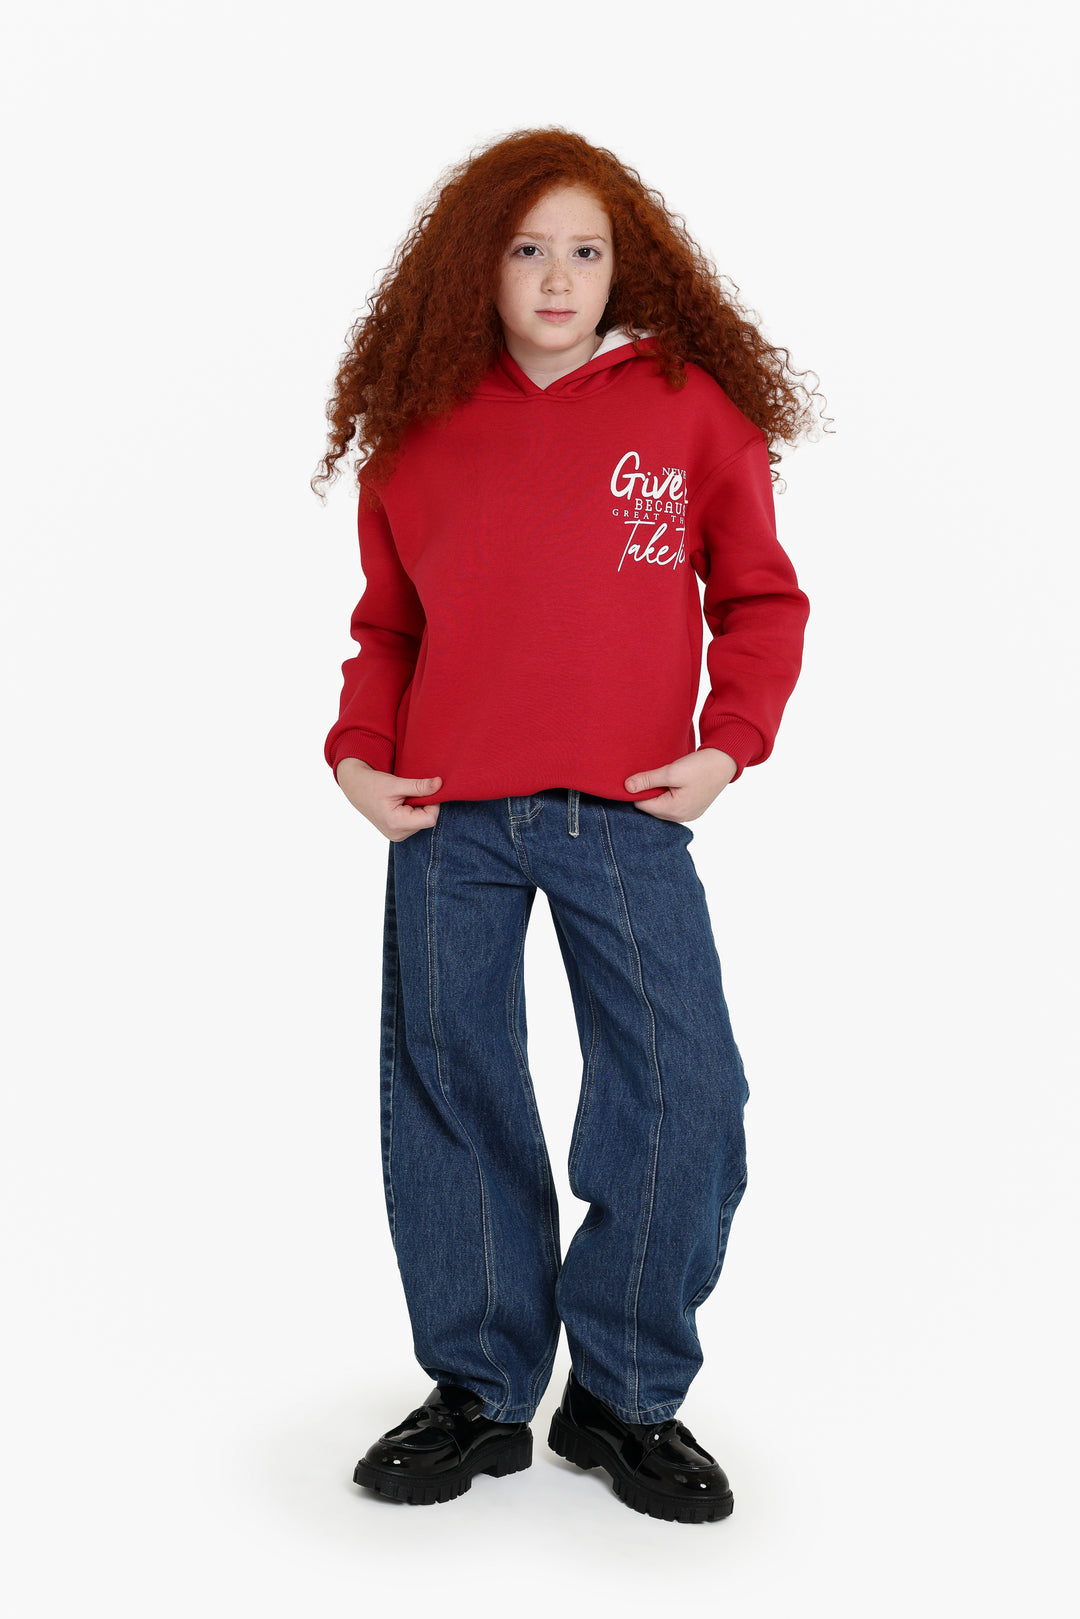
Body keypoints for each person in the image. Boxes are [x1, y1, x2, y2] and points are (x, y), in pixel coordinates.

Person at [313, 127, 825, 1523]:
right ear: (474, 270)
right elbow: (389, 627)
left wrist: (730, 743)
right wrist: (358, 753)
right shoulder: (419, 431)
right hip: (446, 818)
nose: (556, 278)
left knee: (684, 1092)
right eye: (527, 249)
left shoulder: (688, 412)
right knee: (454, 1093)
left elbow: (761, 599)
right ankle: (480, 1391)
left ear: (623, 267)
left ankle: (623, 1394)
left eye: (585, 251)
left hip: (629, 811)